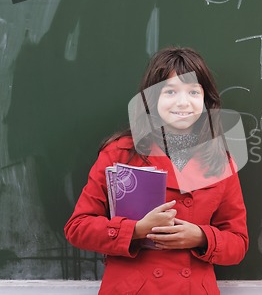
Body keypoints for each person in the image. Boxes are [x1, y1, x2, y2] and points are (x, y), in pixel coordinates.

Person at [64, 47, 248, 294]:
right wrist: (136, 230)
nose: (183, 102)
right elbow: (78, 228)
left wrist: (201, 237)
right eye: (170, 91)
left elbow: (238, 242)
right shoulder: (120, 152)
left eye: (194, 91)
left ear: (205, 100)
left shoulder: (219, 159)